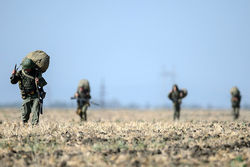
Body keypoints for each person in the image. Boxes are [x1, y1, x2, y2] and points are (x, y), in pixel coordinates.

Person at [10, 58, 47, 125]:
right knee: (25, 112)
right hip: (26, 96)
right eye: (26, 68)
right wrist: (13, 75)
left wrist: (38, 82)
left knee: (36, 111)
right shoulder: (20, 73)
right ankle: (25, 125)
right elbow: (13, 82)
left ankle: (34, 126)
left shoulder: (36, 73)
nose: (27, 69)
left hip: (35, 95)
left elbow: (42, 83)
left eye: (28, 68)